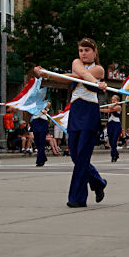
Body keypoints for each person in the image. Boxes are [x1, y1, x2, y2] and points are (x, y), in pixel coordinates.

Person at [35, 37, 107, 208]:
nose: (83, 54)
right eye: (81, 50)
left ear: (95, 52)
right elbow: (75, 76)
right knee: (74, 153)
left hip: (89, 112)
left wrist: (96, 81)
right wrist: (46, 73)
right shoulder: (76, 63)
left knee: (82, 155)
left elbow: (82, 75)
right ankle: (98, 182)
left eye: (87, 50)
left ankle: (77, 198)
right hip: (75, 112)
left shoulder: (99, 69)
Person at [100, 95, 122, 162]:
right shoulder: (112, 105)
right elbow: (107, 110)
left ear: (117, 100)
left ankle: (113, 156)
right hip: (110, 124)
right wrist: (99, 109)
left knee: (114, 140)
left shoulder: (119, 106)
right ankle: (116, 154)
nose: (113, 101)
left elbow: (109, 108)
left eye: (114, 100)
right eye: (112, 100)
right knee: (111, 141)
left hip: (116, 124)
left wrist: (113, 104)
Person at [30, 102, 51, 167]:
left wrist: (43, 108)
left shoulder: (45, 103)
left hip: (42, 121)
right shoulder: (33, 103)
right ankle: (43, 157)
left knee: (41, 142)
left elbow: (48, 104)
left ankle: (40, 160)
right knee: (37, 142)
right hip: (35, 122)